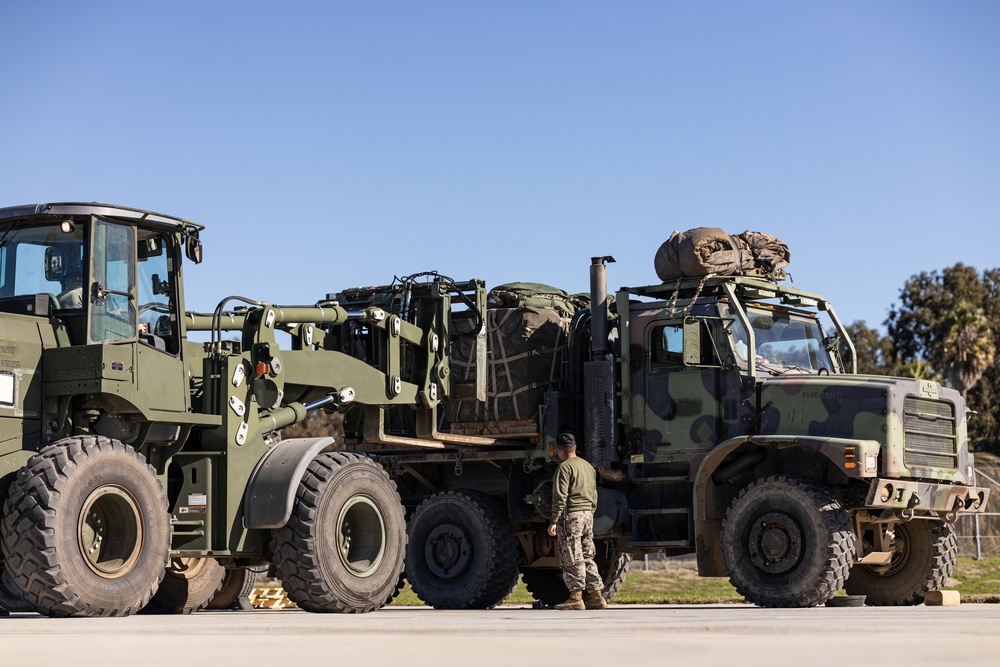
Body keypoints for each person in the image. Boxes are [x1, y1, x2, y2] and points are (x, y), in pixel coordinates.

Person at [547, 432, 606, 610]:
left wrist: (554, 520)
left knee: (571, 556)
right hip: (588, 515)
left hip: (572, 516)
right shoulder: (588, 466)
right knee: (587, 555)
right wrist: (591, 512)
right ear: (575, 447)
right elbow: (594, 493)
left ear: (559, 450)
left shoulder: (564, 468)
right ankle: (596, 596)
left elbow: (560, 497)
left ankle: (576, 597)